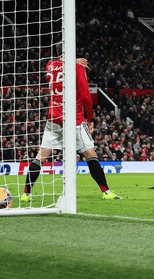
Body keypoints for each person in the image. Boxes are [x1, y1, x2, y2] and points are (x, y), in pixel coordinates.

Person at [21, 45, 121, 202]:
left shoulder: (50, 66)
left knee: (41, 156)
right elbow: (86, 95)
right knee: (90, 155)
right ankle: (106, 191)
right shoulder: (77, 67)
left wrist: (71, 60)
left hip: (53, 119)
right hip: (74, 119)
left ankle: (26, 194)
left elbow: (59, 64)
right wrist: (90, 118)